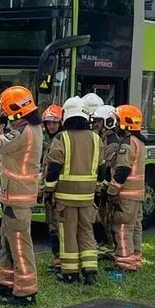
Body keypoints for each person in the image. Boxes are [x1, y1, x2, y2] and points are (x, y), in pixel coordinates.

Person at [0, 86, 43, 306]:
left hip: (18, 196)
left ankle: (26, 292)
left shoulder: (23, 131)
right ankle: (6, 284)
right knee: (8, 241)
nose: (5, 113)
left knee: (19, 244)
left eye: (7, 110)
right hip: (15, 195)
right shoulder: (31, 127)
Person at [43, 97, 107, 285]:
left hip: (65, 198)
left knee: (68, 234)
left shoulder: (61, 138)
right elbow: (102, 170)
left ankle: (70, 274)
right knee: (87, 232)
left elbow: (53, 169)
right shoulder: (96, 138)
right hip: (88, 197)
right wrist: (97, 190)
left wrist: (48, 191)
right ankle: (90, 271)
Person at [104, 105, 146, 272]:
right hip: (137, 195)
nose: (114, 125)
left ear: (124, 123)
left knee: (122, 228)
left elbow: (122, 170)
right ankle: (135, 259)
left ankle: (124, 264)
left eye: (117, 121)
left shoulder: (127, 144)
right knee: (135, 227)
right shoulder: (139, 142)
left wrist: (111, 191)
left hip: (126, 196)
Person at [91, 104, 119, 257]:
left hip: (106, 188)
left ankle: (109, 246)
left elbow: (108, 168)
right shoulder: (103, 139)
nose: (95, 124)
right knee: (100, 217)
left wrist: (103, 188)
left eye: (98, 121)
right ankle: (104, 244)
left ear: (108, 122)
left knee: (106, 218)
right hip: (102, 186)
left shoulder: (112, 142)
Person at [39, 104, 63, 273]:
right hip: (52, 192)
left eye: (54, 122)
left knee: (57, 228)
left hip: (57, 193)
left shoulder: (59, 141)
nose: (51, 126)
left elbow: (53, 169)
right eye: (48, 123)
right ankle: (57, 260)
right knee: (53, 227)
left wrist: (47, 190)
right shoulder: (51, 141)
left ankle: (60, 261)